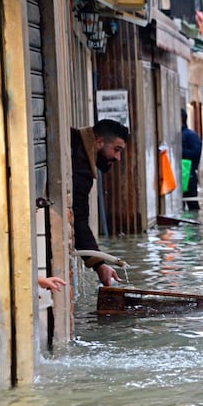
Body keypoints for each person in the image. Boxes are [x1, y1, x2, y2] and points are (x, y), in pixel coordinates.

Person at [71, 118, 130, 286]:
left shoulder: (74, 141)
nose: (118, 158)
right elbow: (78, 220)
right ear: (99, 142)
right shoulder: (80, 168)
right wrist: (99, 264)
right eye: (116, 150)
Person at [181, 109, 202, 211]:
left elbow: (196, 153)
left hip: (189, 175)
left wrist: (179, 152)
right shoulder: (177, 134)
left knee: (192, 205)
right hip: (179, 175)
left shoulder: (191, 135)